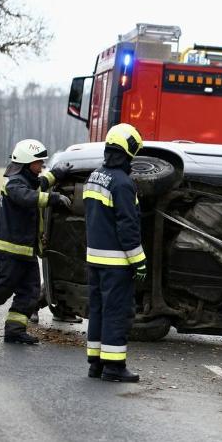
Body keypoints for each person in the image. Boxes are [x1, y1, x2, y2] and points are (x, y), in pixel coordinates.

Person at [0, 139, 73, 344]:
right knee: (2, 288)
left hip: (27, 251)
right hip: (10, 251)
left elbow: (39, 184)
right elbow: (26, 197)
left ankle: (14, 330)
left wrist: (56, 173)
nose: (41, 166)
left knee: (30, 292)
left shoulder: (28, 180)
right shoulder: (13, 183)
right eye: (38, 162)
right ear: (26, 163)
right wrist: (52, 199)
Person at [84, 123, 147, 382]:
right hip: (116, 262)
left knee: (98, 310)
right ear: (127, 151)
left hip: (94, 259)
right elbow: (127, 226)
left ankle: (96, 364)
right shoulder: (123, 184)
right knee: (116, 313)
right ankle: (114, 367)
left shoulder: (94, 176)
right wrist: (139, 262)